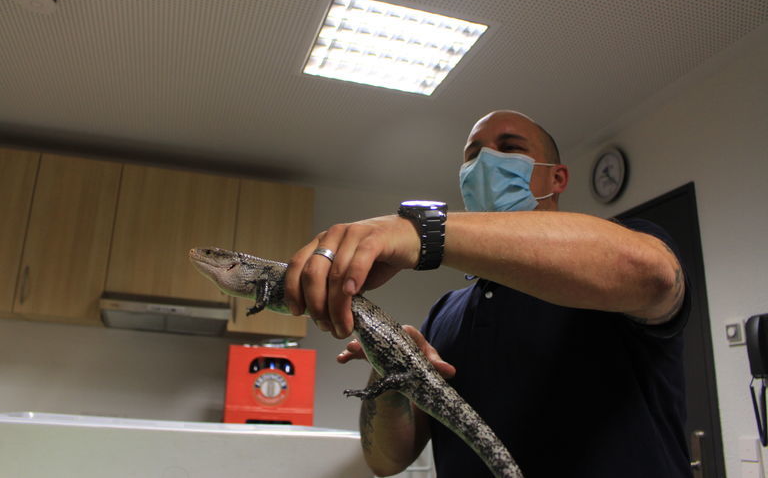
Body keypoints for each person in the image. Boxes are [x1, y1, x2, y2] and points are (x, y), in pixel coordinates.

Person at [283, 110, 691, 477]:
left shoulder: (616, 256)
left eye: (509, 148)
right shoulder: (445, 312)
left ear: (557, 178)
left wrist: (422, 230)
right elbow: (387, 461)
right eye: (473, 154)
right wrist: (390, 372)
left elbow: (652, 274)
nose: (485, 163)